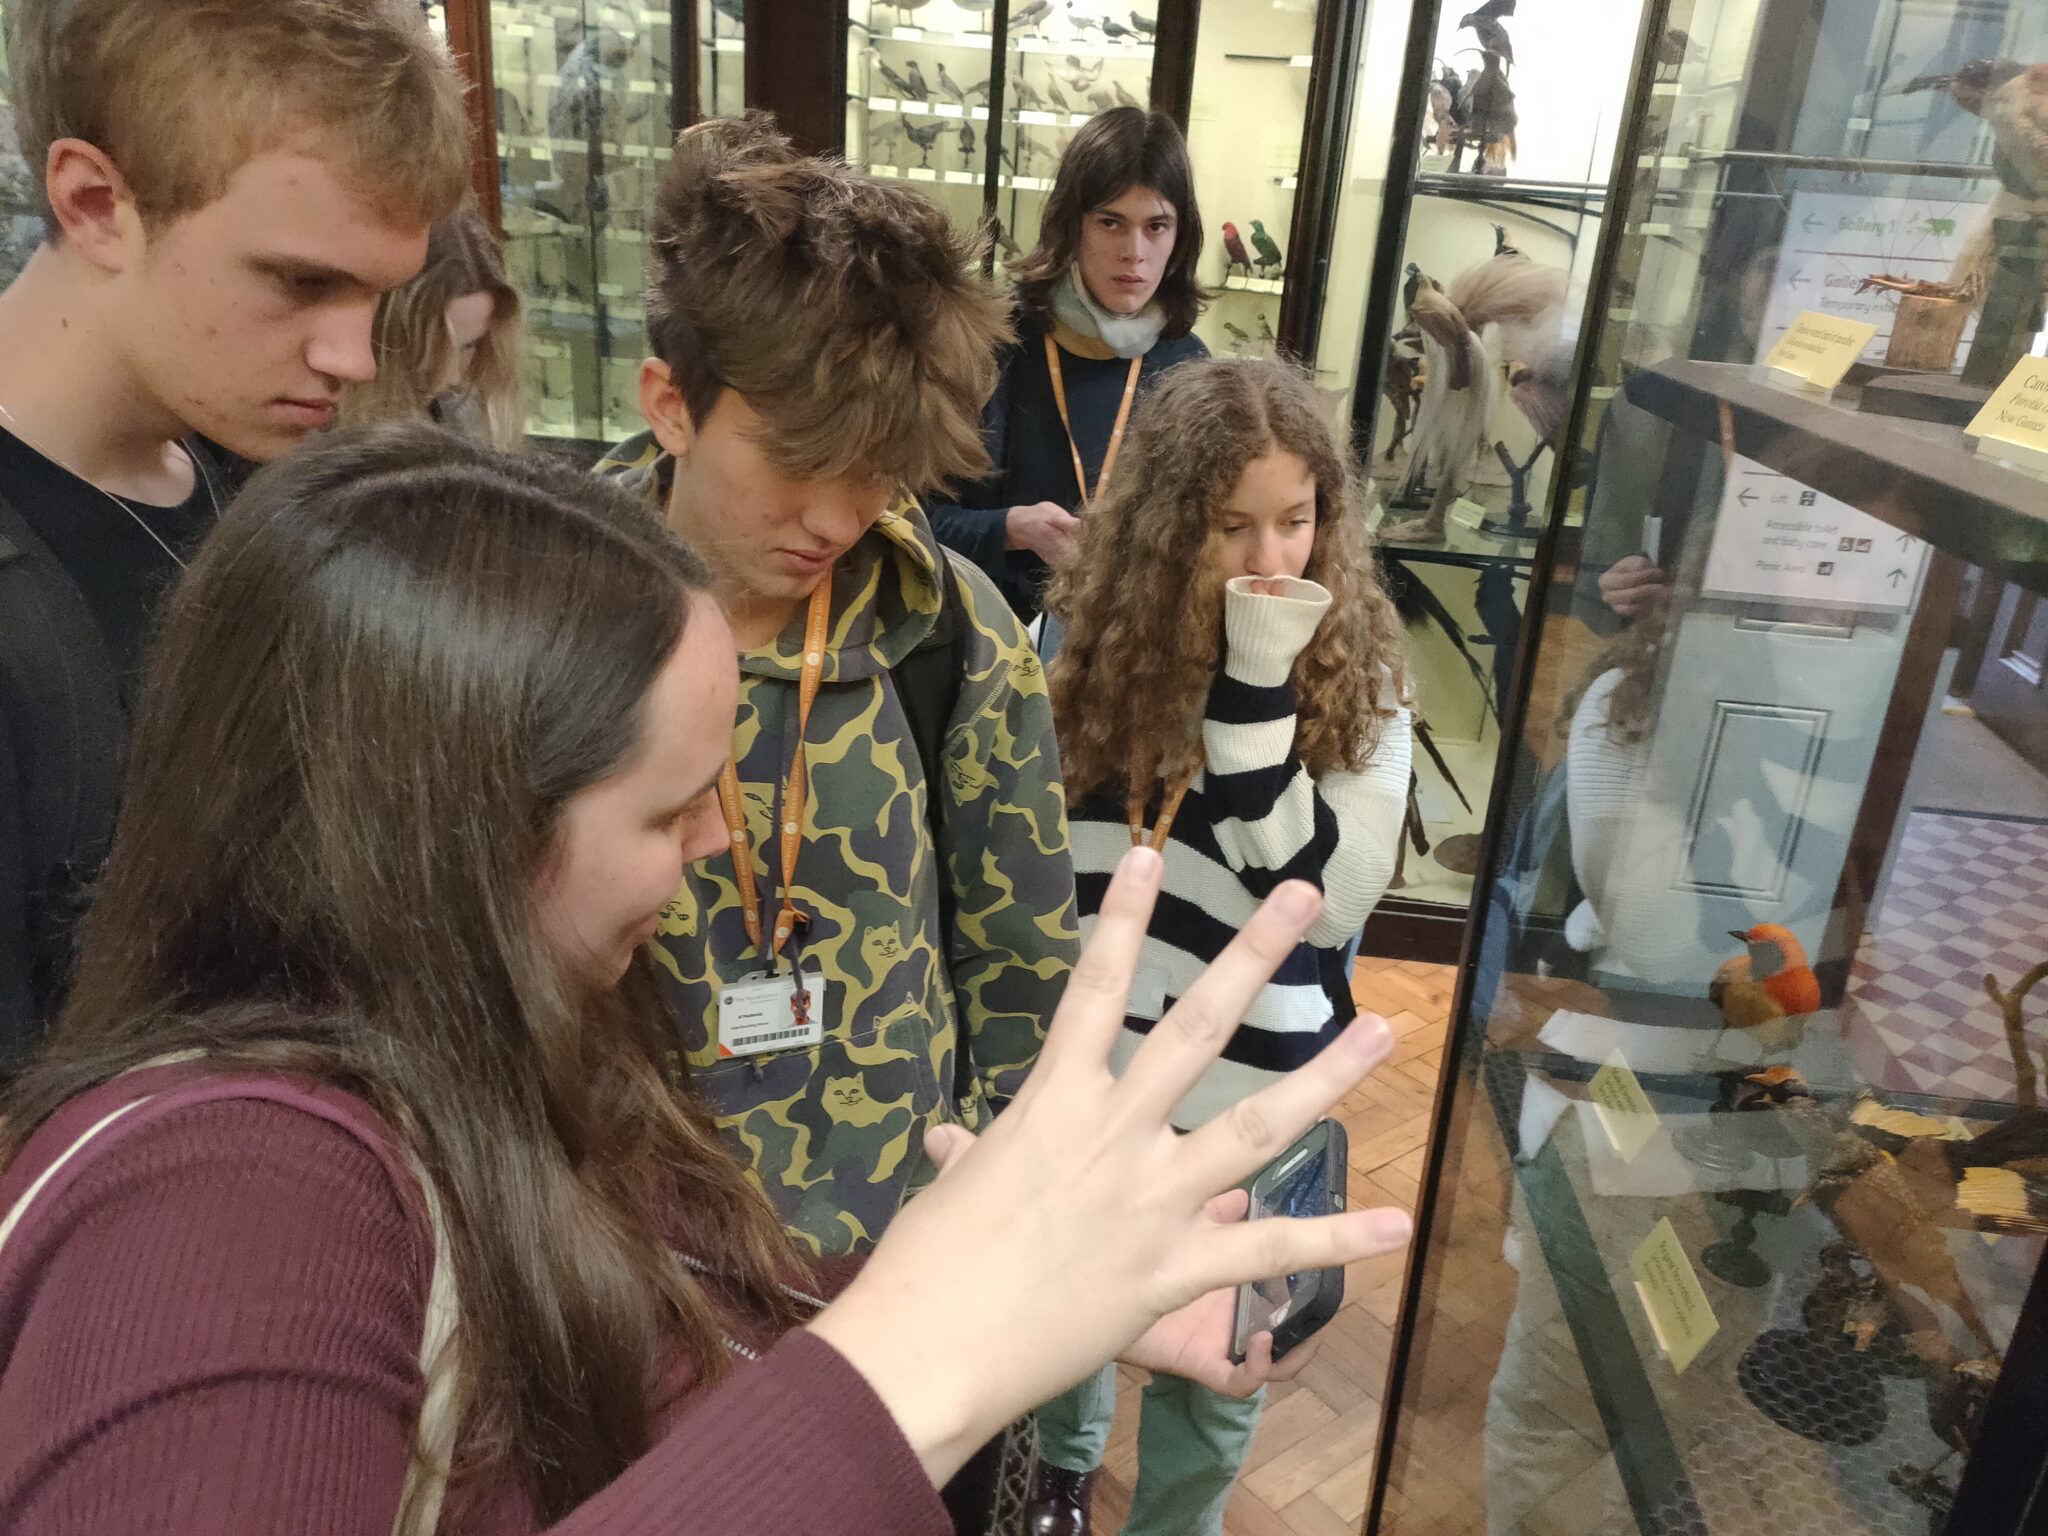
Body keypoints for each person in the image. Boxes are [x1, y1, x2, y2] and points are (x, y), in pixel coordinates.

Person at [0, 425, 1416, 1535]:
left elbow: (673, 1333)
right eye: (670, 807)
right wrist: (928, 1355)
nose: (717, 843)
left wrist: (1027, 1274)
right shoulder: (219, 1208)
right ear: (459, 827)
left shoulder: (494, 1059)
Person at [598, 116, 1078, 1259]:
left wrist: (999, 1219)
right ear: (670, 403)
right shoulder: (536, 621)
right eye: (796, 459)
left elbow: (1022, 960)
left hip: (900, 1257)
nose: (834, 517)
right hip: (628, 1262)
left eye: (874, 469)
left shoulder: (950, 630)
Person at [0, 0, 468, 1064]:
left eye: (377, 296)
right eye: (300, 282)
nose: (353, 357)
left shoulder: (258, 482)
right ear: (95, 203)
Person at [1034, 358, 1415, 1536]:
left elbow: (1332, 900)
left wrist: (1256, 682)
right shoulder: (1080, 644)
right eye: (1228, 525)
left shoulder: (1359, 675)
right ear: (1164, 524)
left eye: (1294, 520)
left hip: (1248, 1087)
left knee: (1218, 1360)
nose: (1267, 558)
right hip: (1099, 1065)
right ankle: (1060, 1472)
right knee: (1071, 1312)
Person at [923, 107, 1210, 628]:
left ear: (1180, 235)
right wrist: (1009, 529)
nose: (1134, 253)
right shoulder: (990, 343)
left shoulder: (1191, 367)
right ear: (1070, 226)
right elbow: (905, 521)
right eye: (1110, 223)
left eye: (1156, 226)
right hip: (986, 644)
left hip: (1128, 650)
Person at [341, 201, 528, 448]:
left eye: (469, 345)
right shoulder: (314, 431)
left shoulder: (464, 416)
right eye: (433, 344)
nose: (452, 377)